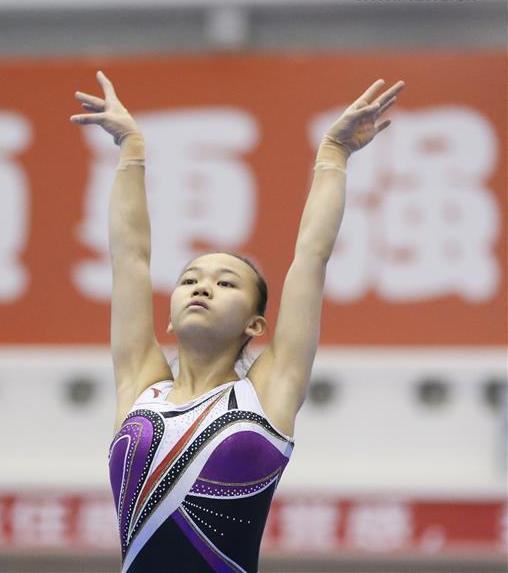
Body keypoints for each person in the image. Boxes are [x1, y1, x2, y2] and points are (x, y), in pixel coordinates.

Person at [70, 71, 404, 573]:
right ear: (169, 313)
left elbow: (311, 257)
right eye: (190, 280)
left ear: (255, 325)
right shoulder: (140, 383)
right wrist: (131, 153)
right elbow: (130, 258)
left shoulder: (268, 392)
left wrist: (333, 155)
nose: (203, 286)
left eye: (226, 284)